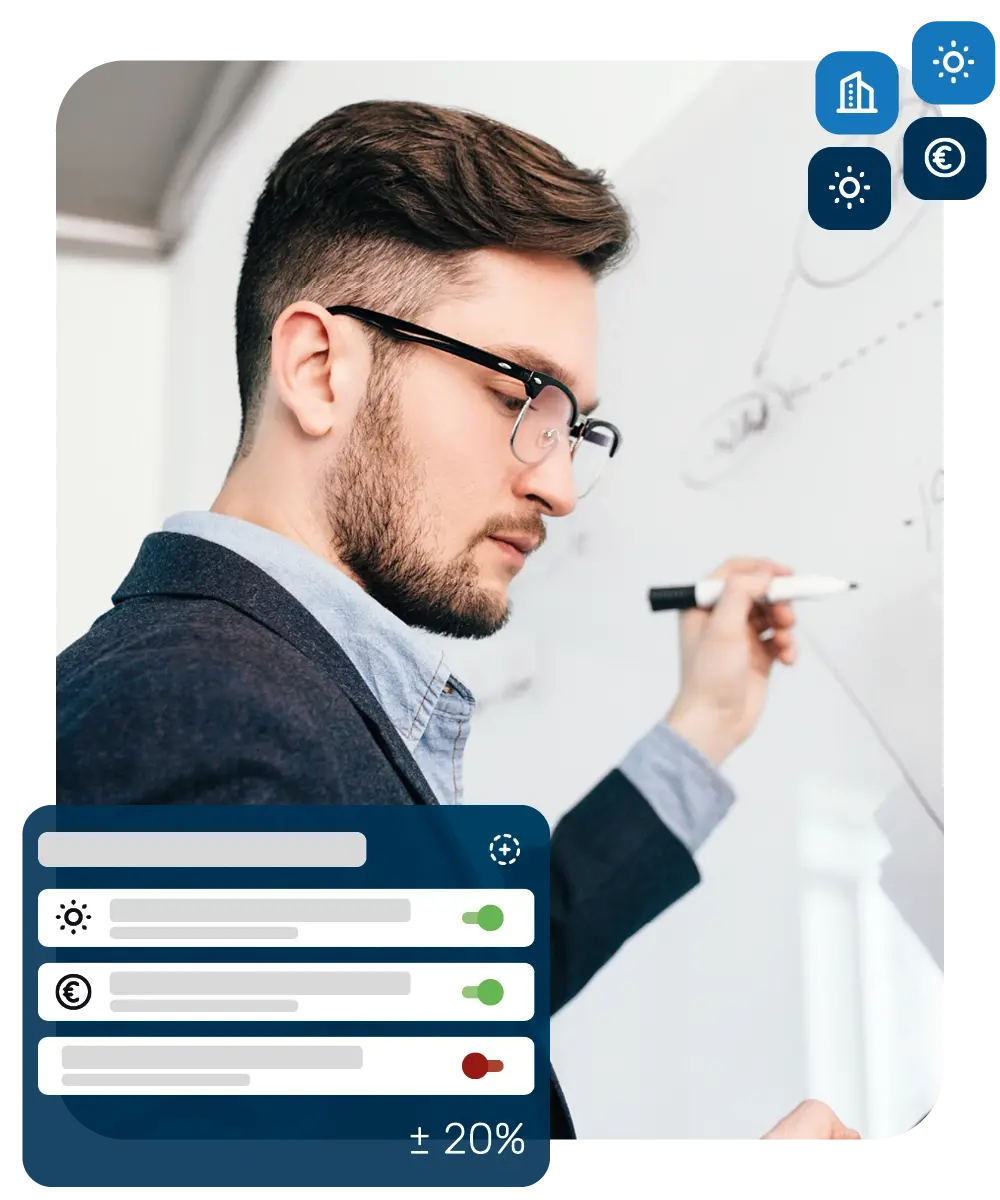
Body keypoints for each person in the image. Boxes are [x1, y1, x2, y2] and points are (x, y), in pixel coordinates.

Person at [56, 99, 859, 1144]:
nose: (562, 485)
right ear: (318, 368)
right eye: (520, 392)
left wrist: (700, 729)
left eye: (578, 425)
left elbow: (458, 990)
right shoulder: (205, 724)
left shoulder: (258, 691)